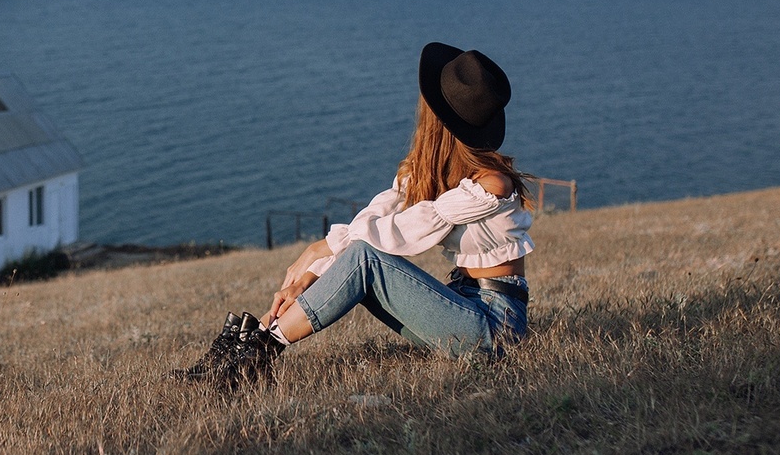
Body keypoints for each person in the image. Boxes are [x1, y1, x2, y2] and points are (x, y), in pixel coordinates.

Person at [172, 42, 535, 389]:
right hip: (460, 304)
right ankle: (256, 340)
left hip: (494, 325)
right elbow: (376, 215)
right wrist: (308, 278)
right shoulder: (432, 172)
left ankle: (257, 354)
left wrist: (323, 246)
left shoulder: (491, 186)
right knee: (360, 252)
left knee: (365, 256)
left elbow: (402, 233)